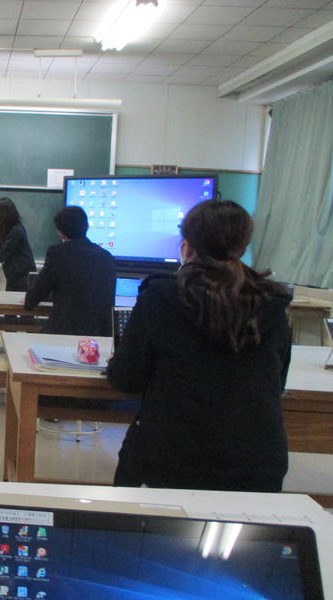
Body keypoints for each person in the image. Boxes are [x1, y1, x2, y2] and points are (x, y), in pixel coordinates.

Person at [106, 199, 291, 493]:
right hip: (257, 464)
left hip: (171, 460)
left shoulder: (161, 295)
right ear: (243, 247)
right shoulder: (273, 302)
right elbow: (276, 382)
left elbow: (127, 378)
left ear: (187, 246)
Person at [25, 206, 116, 335]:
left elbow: (35, 296)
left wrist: (30, 301)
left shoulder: (58, 253)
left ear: (60, 232)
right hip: (100, 334)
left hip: (67, 331)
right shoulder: (106, 256)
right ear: (87, 226)